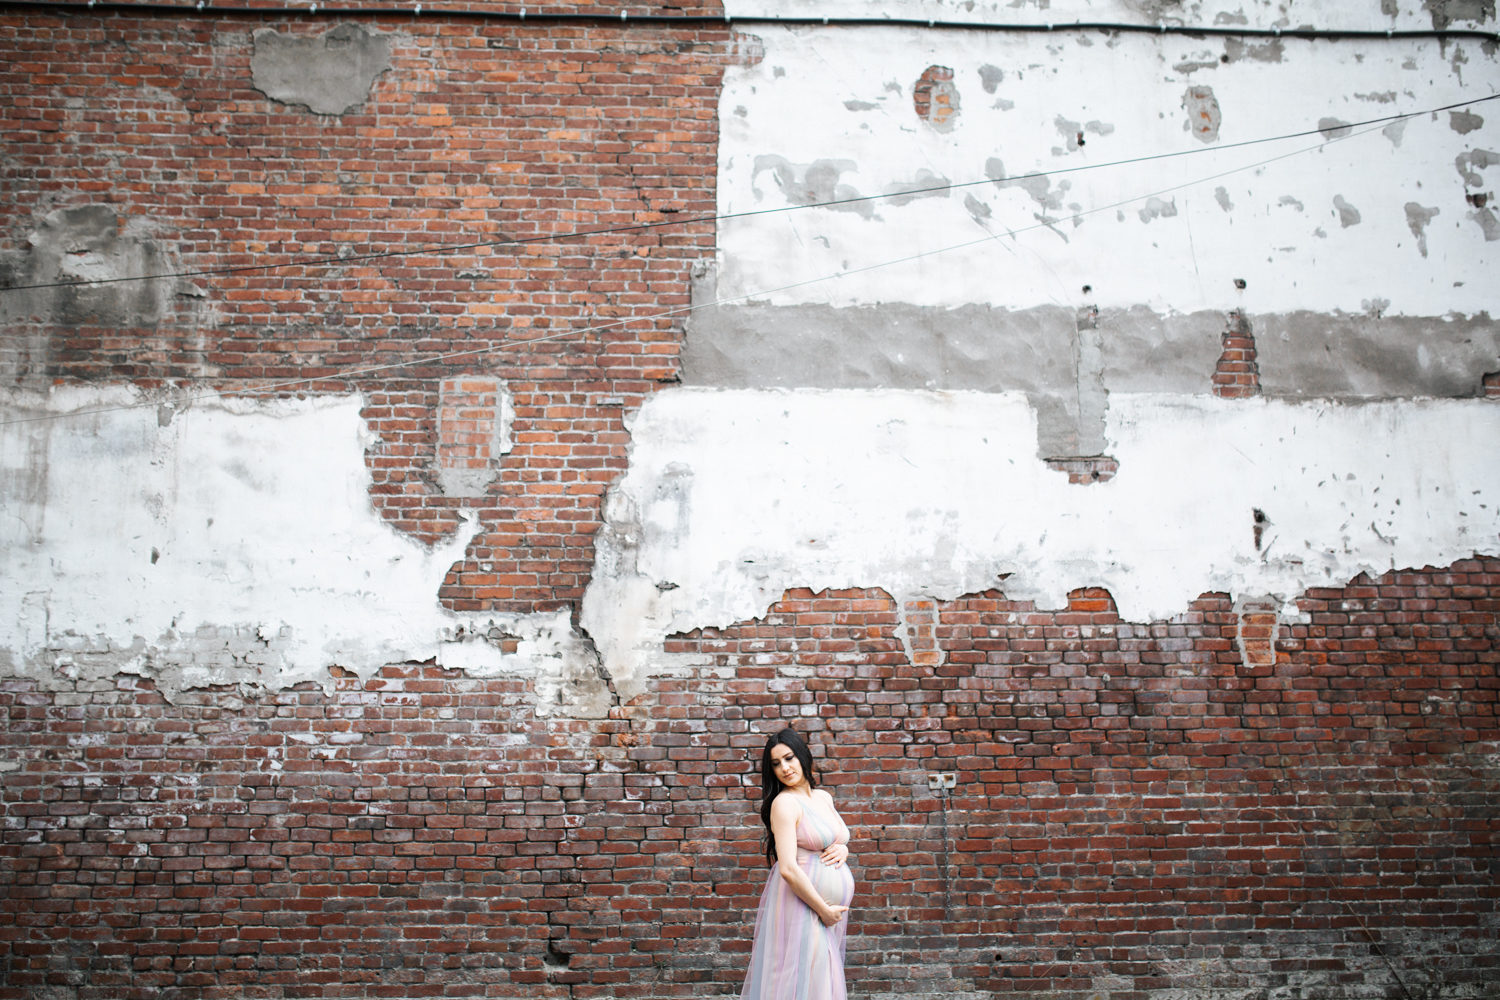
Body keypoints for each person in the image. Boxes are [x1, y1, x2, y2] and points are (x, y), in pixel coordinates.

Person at [739, 727, 854, 1000]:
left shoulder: (823, 797)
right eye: (776, 764)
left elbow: (829, 837)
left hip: (824, 908)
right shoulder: (785, 803)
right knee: (801, 983)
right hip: (804, 906)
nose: (785, 768)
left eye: (789, 758)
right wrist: (824, 911)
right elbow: (788, 868)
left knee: (819, 981)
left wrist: (843, 848)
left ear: (802, 756)